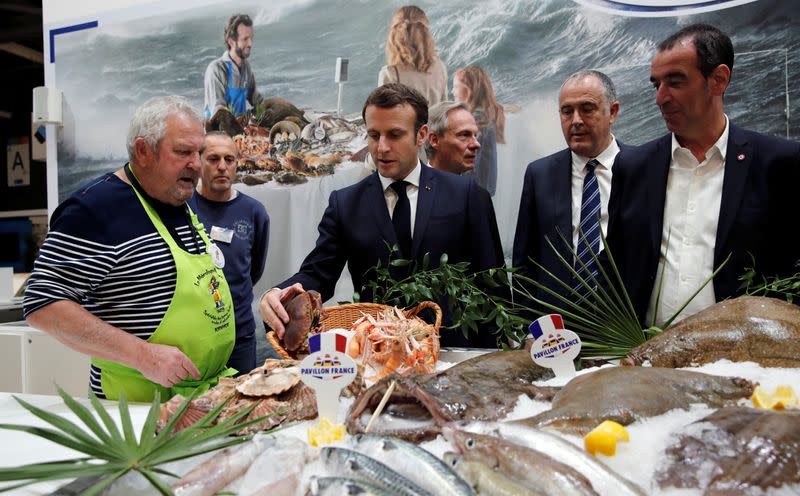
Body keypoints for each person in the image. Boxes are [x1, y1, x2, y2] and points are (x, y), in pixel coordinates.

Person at [24, 96, 237, 401]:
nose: (196, 163)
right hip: (135, 411)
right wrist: (142, 356)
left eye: (199, 152)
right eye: (183, 152)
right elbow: (42, 304)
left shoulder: (177, 198)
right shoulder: (94, 209)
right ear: (143, 151)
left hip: (205, 400)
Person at [259, 83, 504, 348]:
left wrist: (495, 358)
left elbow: (493, 285)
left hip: (454, 355)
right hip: (378, 358)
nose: (382, 147)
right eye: (374, 135)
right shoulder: (345, 204)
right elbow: (317, 274)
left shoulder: (466, 194)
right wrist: (277, 296)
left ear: (421, 135)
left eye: (394, 135)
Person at [606, 23, 800, 327]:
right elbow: (614, 268)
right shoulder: (633, 166)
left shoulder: (779, 163)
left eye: (675, 81)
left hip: (743, 358)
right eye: (656, 85)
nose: (660, 98)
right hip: (647, 357)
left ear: (718, 79)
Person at [513, 70, 624, 315]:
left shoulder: (641, 168)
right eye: (566, 111)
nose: (575, 120)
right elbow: (525, 263)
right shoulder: (539, 174)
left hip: (621, 324)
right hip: (555, 327)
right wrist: (526, 327)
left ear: (612, 112)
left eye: (587, 108)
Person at [190, 131, 270, 375]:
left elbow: (254, 270)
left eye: (229, 159)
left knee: (243, 407)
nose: (222, 167)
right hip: (193, 335)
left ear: (237, 163)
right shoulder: (182, 208)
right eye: (213, 159)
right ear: (199, 161)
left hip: (239, 333)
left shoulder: (254, 212)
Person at [378, 6, 448, 107]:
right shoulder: (440, 67)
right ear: (425, 34)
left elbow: (385, 117)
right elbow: (444, 110)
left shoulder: (390, 74)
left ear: (394, 37)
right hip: (434, 123)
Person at [204, 14, 263, 134]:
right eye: (245, 39)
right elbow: (219, 114)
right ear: (231, 41)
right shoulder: (216, 69)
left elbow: (258, 102)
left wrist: (262, 119)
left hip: (242, 132)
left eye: (251, 38)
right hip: (217, 135)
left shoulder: (246, 68)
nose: (250, 43)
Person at [453, 66, 506, 196]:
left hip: (473, 191)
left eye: (455, 86)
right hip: (483, 189)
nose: (452, 91)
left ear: (469, 90)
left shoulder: (476, 120)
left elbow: (470, 163)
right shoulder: (486, 115)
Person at [425, 100, 481, 175]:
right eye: (464, 135)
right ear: (434, 140)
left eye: (475, 135)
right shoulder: (411, 185)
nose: (476, 144)